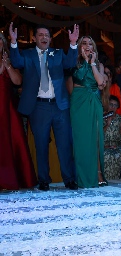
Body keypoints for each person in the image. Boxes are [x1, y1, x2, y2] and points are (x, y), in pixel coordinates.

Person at [8, 22, 78, 191]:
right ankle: (44, 180)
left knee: (64, 145)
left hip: (59, 106)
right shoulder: (28, 54)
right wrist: (13, 42)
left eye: (47, 35)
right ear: (34, 38)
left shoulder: (58, 53)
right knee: (41, 145)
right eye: (40, 35)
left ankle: (69, 179)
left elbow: (70, 63)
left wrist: (73, 44)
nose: (44, 38)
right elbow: (16, 61)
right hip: (39, 107)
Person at [0, 31, 37, 190]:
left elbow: (17, 81)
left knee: (12, 140)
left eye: (0, 41)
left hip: (7, 106)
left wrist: (7, 65)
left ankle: (10, 180)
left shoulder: (10, 60)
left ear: (3, 43)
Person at [69, 36, 107, 188]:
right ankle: (82, 175)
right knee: (82, 140)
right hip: (79, 102)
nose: (87, 46)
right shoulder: (73, 62)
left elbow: (100, 82)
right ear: (79, 46)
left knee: (96, 138)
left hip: (94, 101)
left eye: (90, 43)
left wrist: (92, 64)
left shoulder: (98, 64)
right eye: (83, 43)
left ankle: (97, 172)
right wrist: (85, 62)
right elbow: (78, 78)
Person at [103, 95, 121, 180]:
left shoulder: (120, 119)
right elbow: (97, 136)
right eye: (111, 104)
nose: (113, 107)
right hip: (103, 147)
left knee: (119, 155)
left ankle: (116, 181)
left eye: (115, 105)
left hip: (117, 147)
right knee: (107, 155)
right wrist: (107, 125)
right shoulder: (101, 117)